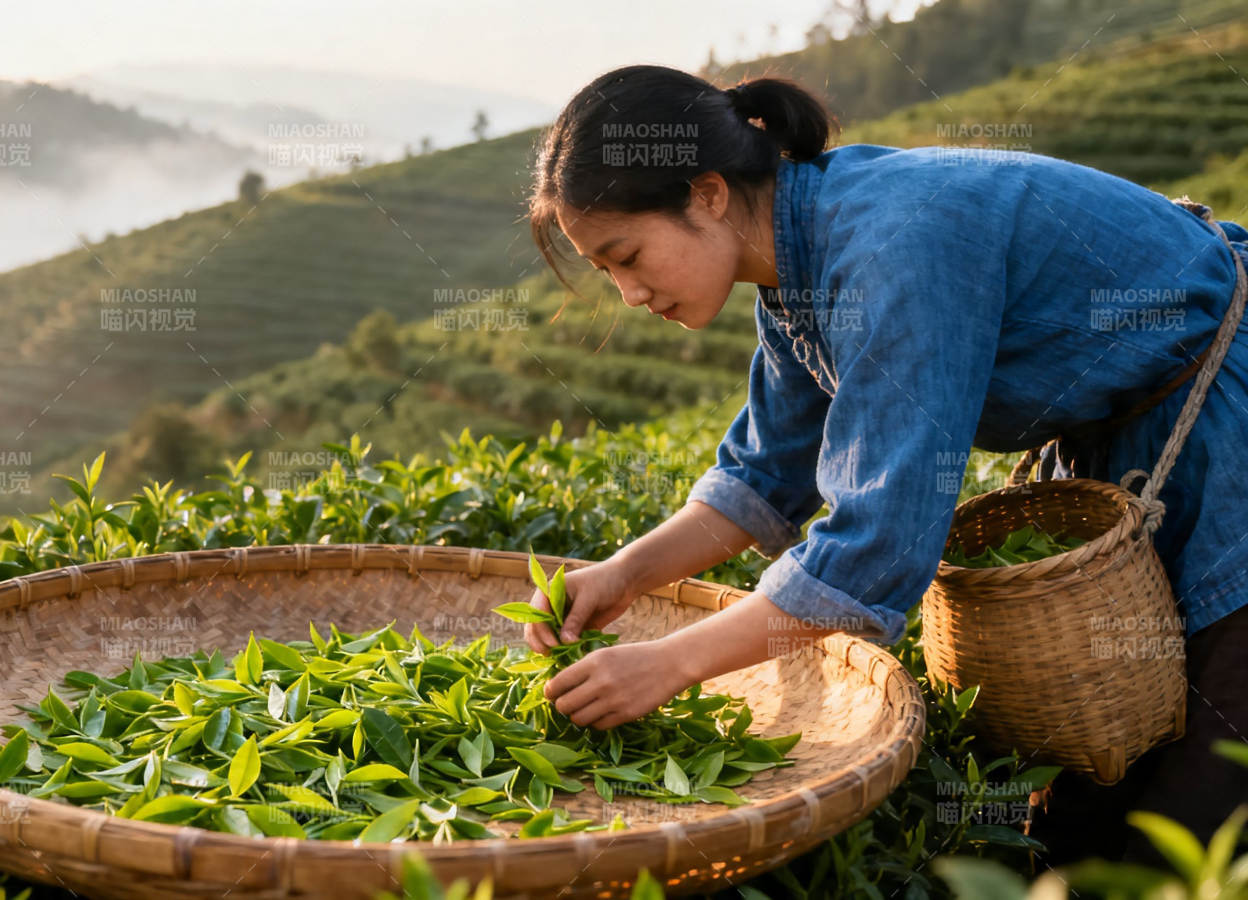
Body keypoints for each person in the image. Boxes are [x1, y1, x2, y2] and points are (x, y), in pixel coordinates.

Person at [518, 63, 1248, 867]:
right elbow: (762, 478)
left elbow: (878, 545)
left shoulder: (892, 244)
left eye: (628, 254)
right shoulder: (796, 276)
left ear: (708, 194)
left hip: (1225, 424)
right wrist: (622, 576)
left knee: (1201, 802)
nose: (628, 293)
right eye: (606, 271)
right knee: (1090, 810)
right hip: (1134, 445)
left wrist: (671, 663)